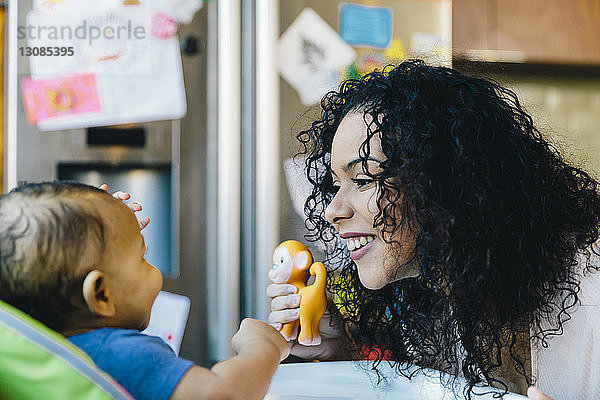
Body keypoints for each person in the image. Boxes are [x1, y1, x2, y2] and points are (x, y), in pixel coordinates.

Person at [268, 60, 600, 400]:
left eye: (364, 180)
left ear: (446, 182)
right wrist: (336, 355)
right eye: (336, 184)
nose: (332, 210)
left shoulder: (593, 290)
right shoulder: (436, 301)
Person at [0, 181, 289, 400]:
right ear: (100, 294)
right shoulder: (119, 354)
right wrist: (264, 347)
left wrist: (108, 228)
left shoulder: (46, 357)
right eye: (142, 257)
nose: (154, 271)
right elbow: (224, 394)